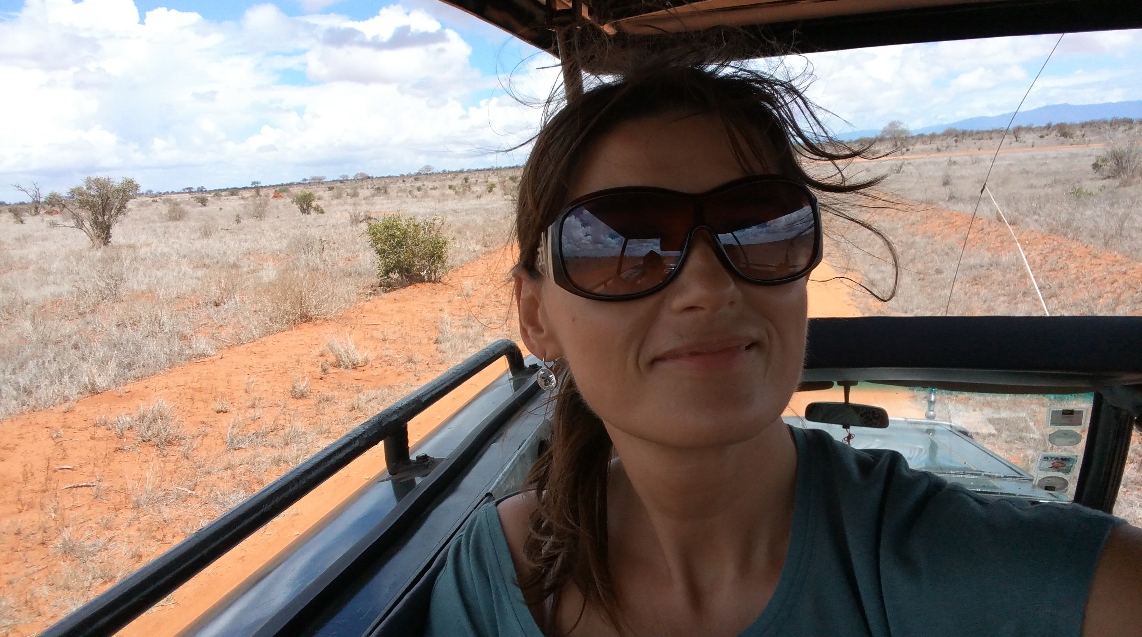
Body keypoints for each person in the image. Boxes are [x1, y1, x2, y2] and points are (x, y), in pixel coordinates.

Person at [426, 62, 1142, 636]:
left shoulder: (953, 562)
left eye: (760, 227)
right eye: (622, 243)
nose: (709, 286)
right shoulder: (498, 578)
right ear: (536, 315)